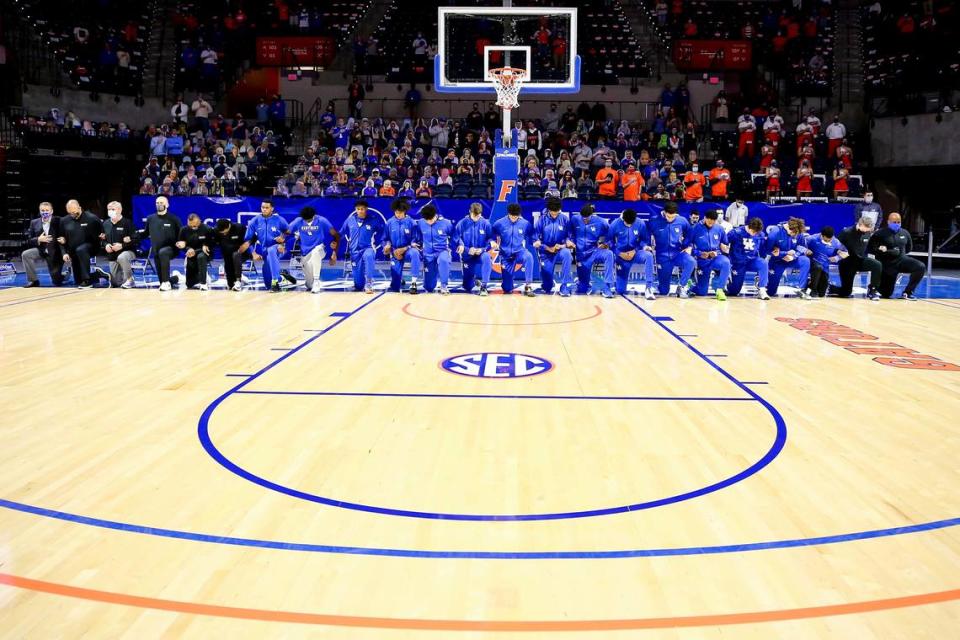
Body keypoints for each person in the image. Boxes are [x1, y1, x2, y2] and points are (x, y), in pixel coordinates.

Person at [869, 212, 925, 300]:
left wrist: (899, 253)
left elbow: (909, 248)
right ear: (888, 222)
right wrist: (885, 251)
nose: (896, 224)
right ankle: (874, 289)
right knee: (886, 294)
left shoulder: (905, 233)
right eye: (894, 222)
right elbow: (870, 249)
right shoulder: (879, 234)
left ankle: (908, 292)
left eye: (898, 222)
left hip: (901, 261)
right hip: (886, 265)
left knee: (920, 266)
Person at [648, 201, 696, 298]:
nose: (670, 219)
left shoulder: (682, 221)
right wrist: (647, 245)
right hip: (662, 257)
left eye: (673, 217)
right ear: (664, 212)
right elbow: (645, 235)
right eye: (668, 216)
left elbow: (690, 234)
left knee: (691, 261)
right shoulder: (654, 221)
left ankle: (681, 286)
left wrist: (688, 246)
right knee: (664, 291)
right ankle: (660, 287)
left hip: (677, 254)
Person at [240, 200, 289, 292]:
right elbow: (248, 239)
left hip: (278, 248)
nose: (264, 209)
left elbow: (289, 232)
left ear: (272, 209)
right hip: (264, 251)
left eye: (267, 208)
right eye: (263, 207)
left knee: (271, 250)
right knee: (267, 284)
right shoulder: (255, 221)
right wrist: (253, 253)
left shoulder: (279, 220)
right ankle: (281, 277)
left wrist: (283, 240)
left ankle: (275, 281)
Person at [57, 199, 107, 288]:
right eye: (70, 213)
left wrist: (103, 240)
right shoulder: (64, 221)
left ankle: (87, 281)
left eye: (74, 212)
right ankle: (98, 275)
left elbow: (102, 234)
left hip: (90, 247)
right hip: (74, 251)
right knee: (78, 280)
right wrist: (64, 253)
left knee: (81, 249)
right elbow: (61, 239)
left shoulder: (92, 218)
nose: (72, 215)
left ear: (79, 208)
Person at [609, 208, 656, 300]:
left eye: (631, 223)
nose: (629, 225)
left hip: (635, 253)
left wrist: (637, 249)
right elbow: (609, 241)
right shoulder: (615, 224)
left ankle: (649, 288)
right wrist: (619, 253)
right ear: (623, 219)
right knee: (620, 290)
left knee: (648, 255)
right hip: (621, 256)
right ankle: (613, 284)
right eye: (627, 223)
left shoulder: (640, 223)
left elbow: (644, 240)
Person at [569, 204, 616, 298]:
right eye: (583, 218)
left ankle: (607, 287)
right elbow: (570, 233)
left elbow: (611, 235)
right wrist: (571, 241)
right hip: (581, 255)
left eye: (587, 218)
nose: (584, 220)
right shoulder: (575, 219)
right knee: (582, 289)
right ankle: (582, 282)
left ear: (592, 215)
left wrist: (606, 243)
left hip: (594, 252)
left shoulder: (601, 222)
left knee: (609, 254)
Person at [289, 206, 338, 293]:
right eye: (305, 220)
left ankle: (316, 281)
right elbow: (286, 231)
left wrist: (334, 253)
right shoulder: (298, 221)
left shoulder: (322, 220)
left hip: (320, 249)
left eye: (309, 220)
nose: (307, 221)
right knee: (309, 285)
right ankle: (311, 283)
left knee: (315, 252)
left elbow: (335, 235)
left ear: (314, 216)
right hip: (305, 253)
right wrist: (282, 243)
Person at [338, 199, 382, 294]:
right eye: (358, 209)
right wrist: (335, 240)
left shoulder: (373, 220)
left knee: (369, 256)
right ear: (355, 209)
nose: (360, 211)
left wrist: (384, 243)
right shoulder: (350, 220)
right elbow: (341, 232)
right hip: (354, 252)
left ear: (366, 209)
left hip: (368, 248)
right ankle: (360, 283)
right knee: (358, 285)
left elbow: (383, 233)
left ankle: (369, 283)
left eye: (362, 209)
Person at [491, 204, 536, 297]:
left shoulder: (525, 223)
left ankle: (528, 285)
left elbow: (533, 235)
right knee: (507, 289)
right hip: (505, 255)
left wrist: (535, 241)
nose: (514, 218)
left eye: (516, 216)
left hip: (519, 252)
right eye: (512, 216)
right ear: (508, 214)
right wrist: (492, 241)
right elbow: (490, 234)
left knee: (529, 257)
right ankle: (507, 284)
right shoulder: (499, 223)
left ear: (519, 215)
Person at [833, 217, 882, 300]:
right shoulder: (846, 232)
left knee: (877, 265)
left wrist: (878, 248)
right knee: (846, 292)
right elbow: (834, 246)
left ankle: (872, 290)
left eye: (868, 230)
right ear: (860, 224)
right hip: (847, 263)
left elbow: (869, 247)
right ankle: (830, 287)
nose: (866, 231)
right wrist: (839, 252)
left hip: (860, 260)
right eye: (865, 229)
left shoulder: (868, 233)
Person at [532, 198, 574, 296]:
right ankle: (548, 283)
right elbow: (535, 240)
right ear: (548, 210)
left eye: (556, 212)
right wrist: (546, 247)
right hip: (546, 252)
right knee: (547, 287)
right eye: (552, 212)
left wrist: (564, 244)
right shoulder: (541, 220)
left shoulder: (565, 219)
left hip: (560, 250)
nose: (554, 215)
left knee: (567, 253)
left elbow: (569, 237)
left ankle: (564, 286)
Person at [763, 217, 811, 298]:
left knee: (805, 260)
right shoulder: (775, 231)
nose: (795, 236)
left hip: (792, 259)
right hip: (777, 261)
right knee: (770, 292)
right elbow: (767, 250)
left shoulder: (798, 231)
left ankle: (801, 289)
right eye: (794, 234)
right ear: (789, 228)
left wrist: (794, 256)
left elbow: (802, 247)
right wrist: (784, 253)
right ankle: (762, 283)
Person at [689, 210, 731, 300]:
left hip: (715, 258)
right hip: (701, 260)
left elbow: (725, 244)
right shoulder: (694, 228)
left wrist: (718, 252)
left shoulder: (719, 229)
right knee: (702, 292)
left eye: (713, 222)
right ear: (704, 218)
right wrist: (699, 253)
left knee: (726, 262)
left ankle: (720, 290)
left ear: (715, 221)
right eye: (709, 221)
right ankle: (691, 286)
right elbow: (687, 246)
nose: (710, 224)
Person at [383, 199, 422, 294]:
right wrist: (389, 247)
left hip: (408, 250)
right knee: (395, 286)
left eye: (400, 212)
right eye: (396, 212)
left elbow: (416, 241)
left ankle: (413, 283)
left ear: (404, 211)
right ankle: (399, 279)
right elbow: (385, 238)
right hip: (395, 251)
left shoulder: (412, 222)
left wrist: (405, 248)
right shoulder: (389, 222)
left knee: (415, 253)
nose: (398, 214)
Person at [454, 202, 493, 296]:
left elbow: (490, 238)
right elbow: (456, 238)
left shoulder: (486, 223)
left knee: (487, 257)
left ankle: (484, 286)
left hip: (481, 253)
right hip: (467, 255)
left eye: (478, 215)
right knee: (467, 287)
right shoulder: (462, 223)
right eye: (474, 215)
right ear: (469, 212)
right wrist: (466, 249)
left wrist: (483, 249)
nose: (476, 218)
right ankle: (473, 280)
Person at [21, 202, 64, 287]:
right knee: (26, 254)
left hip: (55, 252)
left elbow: (66, 233)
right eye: (42, 210)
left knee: (56, 281)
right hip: (41, 250)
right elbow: (29, 239)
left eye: (47, 210)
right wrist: (38, 239)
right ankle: (33, 280)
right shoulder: (34, 222)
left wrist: (64, 240)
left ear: (51, 211)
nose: (45, 212)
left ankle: (65, 274)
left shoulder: (59, 220)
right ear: (40, 211)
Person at [726, 217, 770, 299]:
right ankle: (728, 282)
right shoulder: (736, 232)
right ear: (749, 227)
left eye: (757, 232)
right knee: (734, 291)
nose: (755, 234)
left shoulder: (760, 234)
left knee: (763, 263)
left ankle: (762, 290)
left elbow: (764, 248)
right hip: (738, 263)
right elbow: (723, 242)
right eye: (753, 232)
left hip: (752, 261)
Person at [415, 204, 453, 295]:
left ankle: (444, 285)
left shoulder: (446, 223)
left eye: (431, 220)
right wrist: (414, 242)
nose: (429, 222)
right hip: (428, 254)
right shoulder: (420, 223)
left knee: (444, 260)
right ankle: (429, 284)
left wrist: (459, 245)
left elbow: (455, 237)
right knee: (429, 287)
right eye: (426, 220)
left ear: (435, 215)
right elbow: (417, 237)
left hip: (442, 251)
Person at [804, 226, 848, 298]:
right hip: (813, 263)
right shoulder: (812, 238)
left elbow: (846, 252)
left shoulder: (836, 242)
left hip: (825, 267)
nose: (829, 241)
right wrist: (806, 250)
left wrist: (837, 258)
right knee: (818, 267)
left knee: (821, 293)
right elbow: (801, 245)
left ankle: (808, 287)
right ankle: (813, 291)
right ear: (822, 235)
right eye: (826, 240)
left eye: (830, 239)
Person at [102, 201, 138, 288]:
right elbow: (102, 239)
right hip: (112, 255)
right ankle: (106, 276)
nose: (110, 211)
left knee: (122, 257)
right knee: (116, 283)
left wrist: (122, 245)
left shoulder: (128, 223)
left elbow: (136, 239)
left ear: (120, 210)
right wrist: (106, 245)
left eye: (113, 209)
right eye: (109, 209)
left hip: (127, 252)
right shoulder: (105, 224)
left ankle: (130, 280)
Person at [176, 213, 214, 290]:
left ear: (199, 221)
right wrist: (187, 248)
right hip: (190, 254)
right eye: (190, 225)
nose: (192, 227)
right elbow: (181, 244)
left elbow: (210, 246)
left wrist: (196, 251)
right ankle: (202, 276)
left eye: (194, 225)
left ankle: (203, 283)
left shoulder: (207, 229)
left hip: (205, 253)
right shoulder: (183, 230)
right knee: (189, 284)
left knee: (201, 257)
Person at [213, 218, 250, 291]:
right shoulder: (217, 230)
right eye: (222, 233)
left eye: (224, 232)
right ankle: (237, 277)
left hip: (241, 253)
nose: (223, 234)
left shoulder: (240, 228)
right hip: (227, 255)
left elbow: (253, 238)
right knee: (230, 285)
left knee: (236, 255)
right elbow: (213, 241)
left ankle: (238, 280)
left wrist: (248, 243)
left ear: (228, 226)